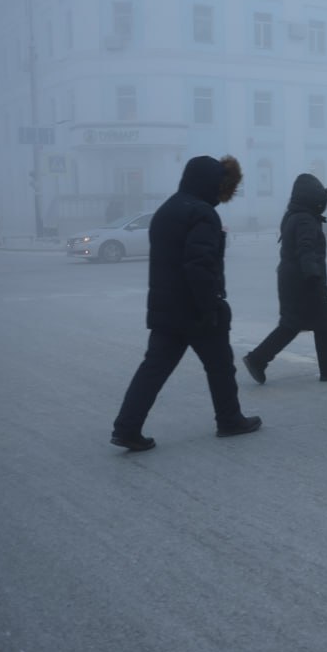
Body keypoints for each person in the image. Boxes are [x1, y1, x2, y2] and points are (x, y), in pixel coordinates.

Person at [111, 155, 260, 451]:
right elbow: (199, 264)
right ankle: (229, 420)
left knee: (153, 370)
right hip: (195, 310)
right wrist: (210, 306)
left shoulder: (167, 210)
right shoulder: (202, 213)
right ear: (209, 183)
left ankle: (127, 428)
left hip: (166, 308)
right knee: (220, 367)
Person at [242, 173, 327, 385]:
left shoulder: (295, 215)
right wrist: (313, 275)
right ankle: (259, 359)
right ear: (313, 199)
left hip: (292, 278)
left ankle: (260, 359)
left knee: (301, 323)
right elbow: (306, 248)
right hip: (304, 278)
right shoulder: (305, 219)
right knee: (315, 322)